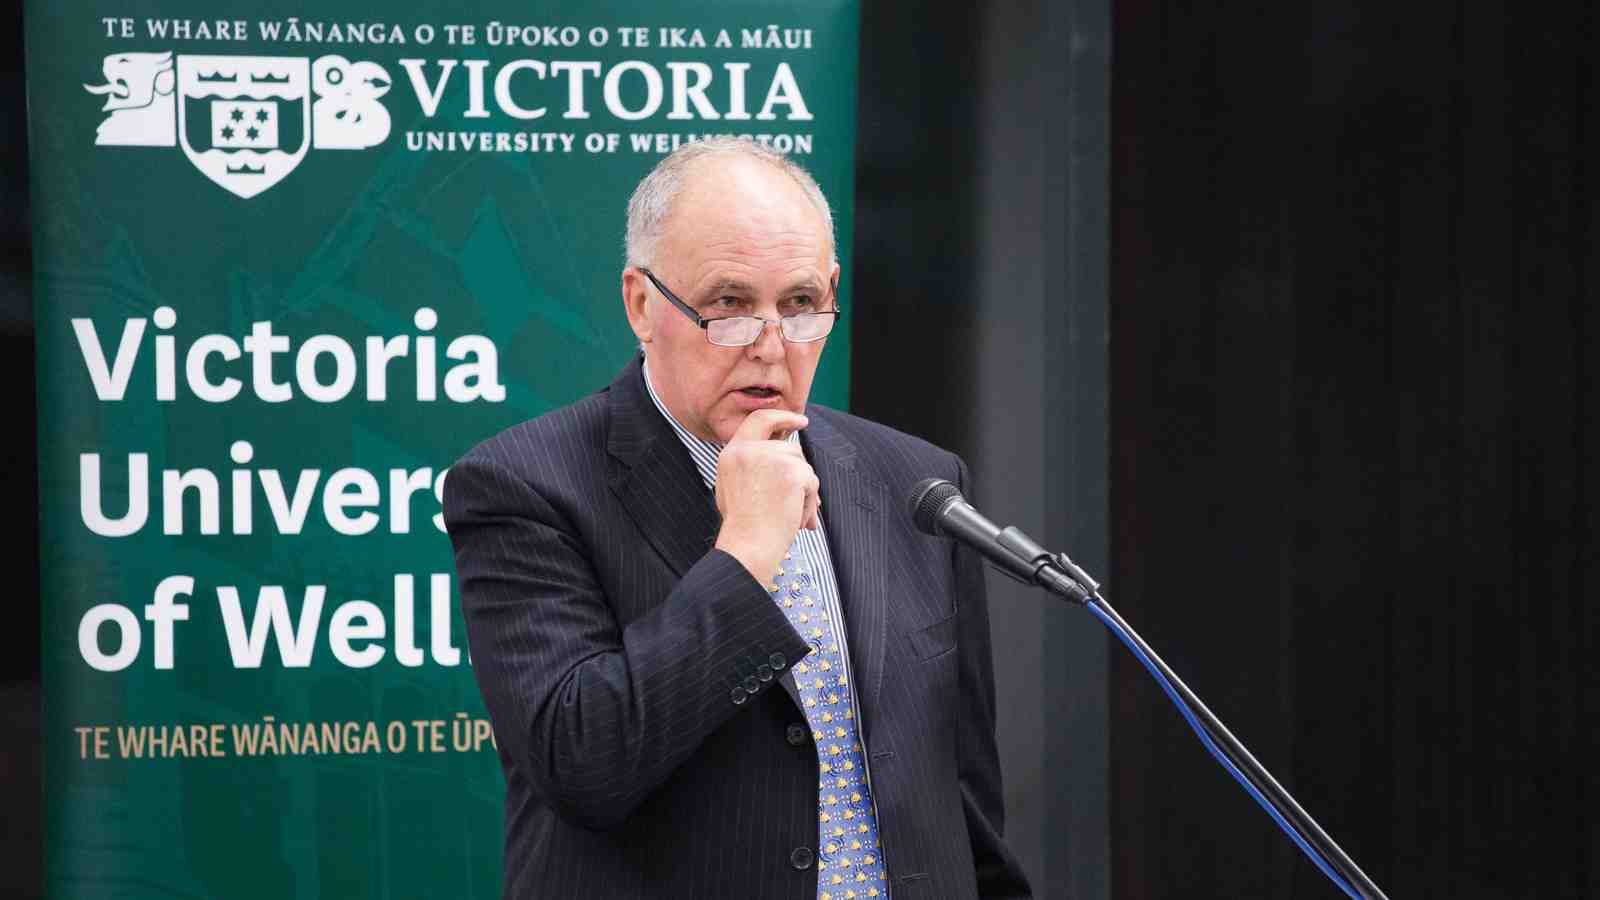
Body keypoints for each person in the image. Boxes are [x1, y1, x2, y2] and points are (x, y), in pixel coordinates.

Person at [443, 137, 1034, 900]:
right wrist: (746, 556)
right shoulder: (525, 484)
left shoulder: (914, 481)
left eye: (798, 306)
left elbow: (962, 795)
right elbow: (582, 761)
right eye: (727, 305)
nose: (768, 346)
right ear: (642, 303)